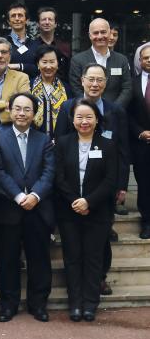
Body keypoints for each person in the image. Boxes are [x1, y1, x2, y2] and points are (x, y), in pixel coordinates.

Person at [56, 63, 130, 295]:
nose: (95, 84)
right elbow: (59, 143)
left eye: (100, 80)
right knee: (75, 241)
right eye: (91, 79)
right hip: (72, 187)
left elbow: (123, 150)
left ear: (105, 83)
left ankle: (99, 278)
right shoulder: (68, 107)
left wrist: (121, 185)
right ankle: (78, 286)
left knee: (102, 237)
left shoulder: (115, 110)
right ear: (82, 81)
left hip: (103, 187)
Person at [55, 99, 118, 322]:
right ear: (72, 120)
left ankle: (91, 303)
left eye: (89, 117)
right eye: (79, 117)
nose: (84, 121)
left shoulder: (108, 144)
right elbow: (58, 177)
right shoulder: (62, 143)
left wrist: (88, 202)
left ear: (97, 120)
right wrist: (75, 201)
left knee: (93, 258)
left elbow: (111, 180)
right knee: (72, 258)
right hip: (68, 210)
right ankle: (75, 304)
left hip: (98, 211)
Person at [0, 92, 54, 323]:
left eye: (27, 109)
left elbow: (49, 172)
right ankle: (8, 305)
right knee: (7, 259)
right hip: (9, 208)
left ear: (34, 113)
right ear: (9, 110)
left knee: (39, 258)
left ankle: (38, 304)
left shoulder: (44, 140)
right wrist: (19, 196)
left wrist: (36, 195)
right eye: (17, 108)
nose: (21, 113)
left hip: (37, 209)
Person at [69, 18, 132, 108]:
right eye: (95, 33)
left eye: (103, 32)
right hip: (88, 115)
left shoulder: (122, 60)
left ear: (109, 33)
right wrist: (91, 109)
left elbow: (127, 88)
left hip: (115, 115)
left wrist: (114, 109)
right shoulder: (77, 60)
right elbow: (76, 89)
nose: (99, 36)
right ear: (90, 35)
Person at [127, 44, 150, 239]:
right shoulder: (132, 83)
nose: (149, 60)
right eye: (145, 58)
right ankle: (147, 222)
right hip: (142, 143)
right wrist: (140, 132)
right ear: (139, 61)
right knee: (144, 184)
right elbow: (127, 113)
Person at [31, 45, 71, 138]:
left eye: (52, 62)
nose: (48, 66)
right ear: (38, 64)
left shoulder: (67, 88)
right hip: (34, 140)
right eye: (44, 62)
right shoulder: (28, 86)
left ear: (57, 64)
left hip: (60, 141)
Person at [36, 7, 70, 83]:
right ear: (38, 24)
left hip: (61, 90)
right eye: (44, 19)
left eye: (50, 19)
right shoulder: (32, 46)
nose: (47, 22)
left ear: (55, 24)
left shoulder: (64, 47)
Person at [5, 3, 40, 78]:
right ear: (8, 21)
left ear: (27, 20)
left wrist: (19, 66)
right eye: (13, 16)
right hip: (8, 88)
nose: (17, 19)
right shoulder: (2, 44)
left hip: (31, 87)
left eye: (20, 15)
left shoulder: (36, 45)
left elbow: (40, 69)